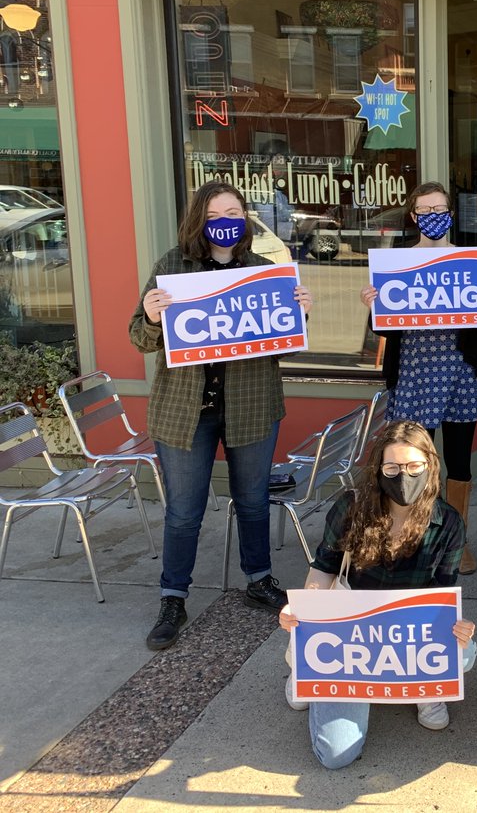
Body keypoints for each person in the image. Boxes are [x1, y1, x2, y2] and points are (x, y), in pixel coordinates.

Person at [131, 180, 313, 651]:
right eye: (214, 215)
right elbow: (139, 338)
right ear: (199, 220)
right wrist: (150, 317)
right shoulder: (173, 266)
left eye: (233, 213)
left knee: (252, 501)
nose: (225, 223)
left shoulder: (264, 271)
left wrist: (299, 316)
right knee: (184, 512)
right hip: (184, 413)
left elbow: (284, 346)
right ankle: (173, 597)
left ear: (246, 218)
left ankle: (259, 579)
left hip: (251, 407)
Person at [278, 422, 477, 767]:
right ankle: (307, 672)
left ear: (430, 466)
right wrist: (307, 612)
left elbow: (443, 592)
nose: (404, 477)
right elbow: (324, 567)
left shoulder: (448, 523)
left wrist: (455, 627)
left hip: (409, 632)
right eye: (392, 468)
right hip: (351, 633)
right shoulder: (351, 507)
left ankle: (425, 687)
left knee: (464, 653)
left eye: (414, 466)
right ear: (378, 470)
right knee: (336, 755)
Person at [359, 181, 477, 574]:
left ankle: (457, 541)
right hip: (414, 374)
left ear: (451, 214)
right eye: (425, 210)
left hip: (459, 373)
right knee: (411, 462)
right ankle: (412, 537)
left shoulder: (469, 260)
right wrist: (373, 306)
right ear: (414, 216)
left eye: (440, 209)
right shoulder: (396, 262)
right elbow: (383, 329)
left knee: (458, 461)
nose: (433, 216)